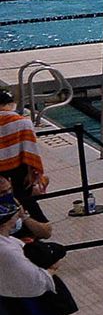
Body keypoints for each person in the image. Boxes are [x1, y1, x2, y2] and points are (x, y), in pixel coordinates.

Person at [0, 90, 48, 232]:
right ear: (10, 104)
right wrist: (32, 172)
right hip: (19, 169)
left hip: (4, 172)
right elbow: (30, 150)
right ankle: (37, 225)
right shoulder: (23, 122)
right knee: (25, 199)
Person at [0, 199, 55, 315]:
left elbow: (46, 231)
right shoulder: (7, 250)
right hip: (20, 300)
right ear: (7, 222)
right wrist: (51, 270)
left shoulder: (9, 241)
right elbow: (34, 279)